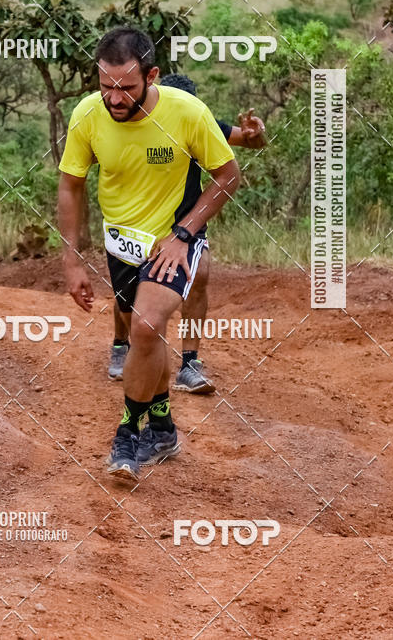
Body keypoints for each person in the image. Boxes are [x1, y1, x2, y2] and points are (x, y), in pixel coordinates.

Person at [58, 27, 239, 480]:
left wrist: (184, 233)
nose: (115, 99)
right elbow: (71, 184)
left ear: (152, 76)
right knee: (148, 338)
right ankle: (162, 426)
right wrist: (71, 259)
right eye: (106, 88)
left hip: (174, 241)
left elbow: (228, 175)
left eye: (126, 89)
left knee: (144, 326)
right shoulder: (87, 116)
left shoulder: (187, 113)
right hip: (121, 244)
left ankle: (128, 433)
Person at [108, 72, 267, 391]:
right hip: (139, 225)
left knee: (200, 275)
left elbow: (251, 142)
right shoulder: (135, 122)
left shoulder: (198, 120)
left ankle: (190, 362)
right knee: (129, 288)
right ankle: (120, 342)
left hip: (186, 223)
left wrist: (256, 133)